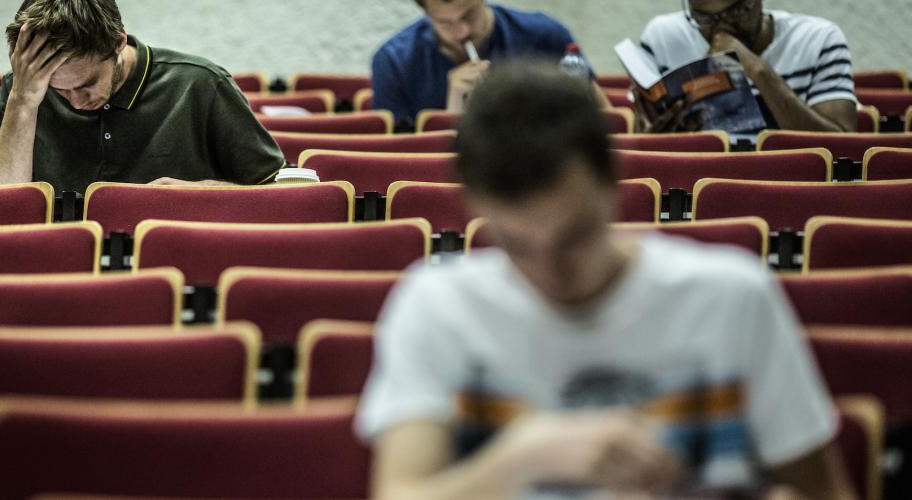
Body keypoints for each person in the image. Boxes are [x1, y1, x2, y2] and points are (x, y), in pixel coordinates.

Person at [356, 60, 856, 499]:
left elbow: (824, 490)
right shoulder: (436, 304)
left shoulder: (730, 296)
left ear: (613, 184)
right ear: (476, 209)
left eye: (575, 237)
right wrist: (522, 458)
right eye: (518, 246)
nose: (552, 273)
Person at [0, 0, 285, 194]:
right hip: (58, 265)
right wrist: (23, 103)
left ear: (118, 43)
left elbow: (277, 191)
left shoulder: (200, 84)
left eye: (87, 83)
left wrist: (203, 192)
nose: (76, 101)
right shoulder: (21, 92)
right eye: (58, 89)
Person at [371, 0, 607, 130]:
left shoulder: (545, 35)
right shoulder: (393, 61)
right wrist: (454, 108)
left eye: (469, 15)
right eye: (445, 23)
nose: (461, 31)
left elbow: (600, 112)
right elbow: (400, 157)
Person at [636, 0, 857, 133]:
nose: (720, 27)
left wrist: (759, 71)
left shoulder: (819, 39)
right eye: (703, 17)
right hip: (697, 184)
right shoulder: (661, 37)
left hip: (792, 183)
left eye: (736, 13)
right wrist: (654, 136)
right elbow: (642, 141)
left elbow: (842, 149)